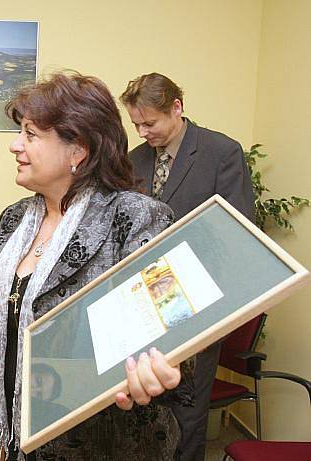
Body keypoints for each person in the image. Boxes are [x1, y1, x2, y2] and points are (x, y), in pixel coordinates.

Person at [0, 71, 194, 460]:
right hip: (20, 442)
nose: (15, 146)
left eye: (30, 134)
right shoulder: (14, 220)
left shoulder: (135, 217)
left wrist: (160, 368)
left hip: (108, 446)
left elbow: (177, 327)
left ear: (78, 149)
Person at [120, 72, 255, 461]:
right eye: (137, 124)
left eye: (150, 123)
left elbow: (237, 229)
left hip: (198, 297)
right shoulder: (134, 161)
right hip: (142, 299)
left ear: (176, 108)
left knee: (188, 406)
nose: (144, 132)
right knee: (144, 403)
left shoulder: (221, 151)